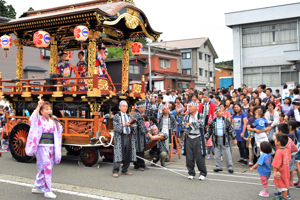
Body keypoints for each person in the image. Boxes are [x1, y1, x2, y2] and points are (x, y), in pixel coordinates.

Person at [25, 100, 62, 199]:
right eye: (46, 109)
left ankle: (37, 186)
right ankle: (47, 190)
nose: (49, 111)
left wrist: (56, 122)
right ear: (41, 111)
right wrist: (38, 106)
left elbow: (58, 131)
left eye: (50, 109)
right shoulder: (39, 120)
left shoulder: (52, 120)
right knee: (47, 167)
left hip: (51, 147)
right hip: (42, 147)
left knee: (42, 168)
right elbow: (32, 119)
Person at [206, 107, 237, 174]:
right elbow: (209, 131)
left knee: (228, 153)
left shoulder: (226, 120)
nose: (221, 113)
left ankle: (230, 167)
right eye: (220, 111)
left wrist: (234, 138)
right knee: (217, 153)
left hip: (225, 139)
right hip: (216, 139)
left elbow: (231, 129)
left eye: (222, 111)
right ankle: (218, 166)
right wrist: (206, 138)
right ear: (216, 113)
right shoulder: (213, 121)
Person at [182, 102, 207, 180]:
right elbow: (184, 125)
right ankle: (191, 172)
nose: (189, 108)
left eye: (191, 107)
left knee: (199, 156)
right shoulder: (186, 116)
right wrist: (194, 124)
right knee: (189, 157)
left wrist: (191, 124)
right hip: (189, 137)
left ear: (196, 108)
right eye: (188, 107)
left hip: (198, 137)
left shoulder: (201, 115)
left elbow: (202, 124)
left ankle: (203, 173)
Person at [112, 101, 137, 178]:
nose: (125, 107)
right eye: (123, 106)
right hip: (120, 136)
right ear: (119, 107)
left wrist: (132, 125)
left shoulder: (129, 116)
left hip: (128, 136)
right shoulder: (116, 116)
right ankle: (115, 170)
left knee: (127, 153)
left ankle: (125, 169)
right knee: (118, 153)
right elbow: (115, 127)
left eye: (126, 106)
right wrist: (124, 125)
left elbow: (135, 127)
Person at [272, 134, 293, 200]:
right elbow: (289, 160)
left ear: (279, 142)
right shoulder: (287, 150)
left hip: (280, 172)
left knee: (282, 187)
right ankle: (283, 196)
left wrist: (274, 172)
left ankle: (284, 198)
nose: (274, 140)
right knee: (284, 185)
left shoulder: (279, 152)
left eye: (275, 139)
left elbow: (276, 163)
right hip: (286, 170)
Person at [133, 101, 150, 171]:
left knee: (141, 150)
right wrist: (149, 133)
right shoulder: (138, 115)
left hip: (139, 135)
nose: (145, 109)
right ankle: (137, 165)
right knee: (138, 150)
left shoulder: (137, 114)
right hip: (138, 136)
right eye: (144, 107)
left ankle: (142, 164)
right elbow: (142, 127)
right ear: (140, 107)